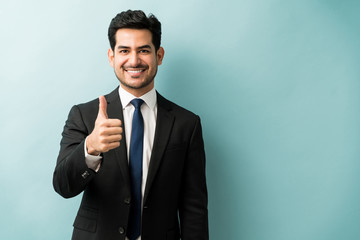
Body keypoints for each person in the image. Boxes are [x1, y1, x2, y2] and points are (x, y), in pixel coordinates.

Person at [53, 10, 208, 240]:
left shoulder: (187, 124)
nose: (134, 60)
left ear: (159, 55)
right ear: (111, 57)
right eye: (124, 50)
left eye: (144, 50)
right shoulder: (84, 115)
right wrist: (91, 147)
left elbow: (194, 207)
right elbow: (63, 186)